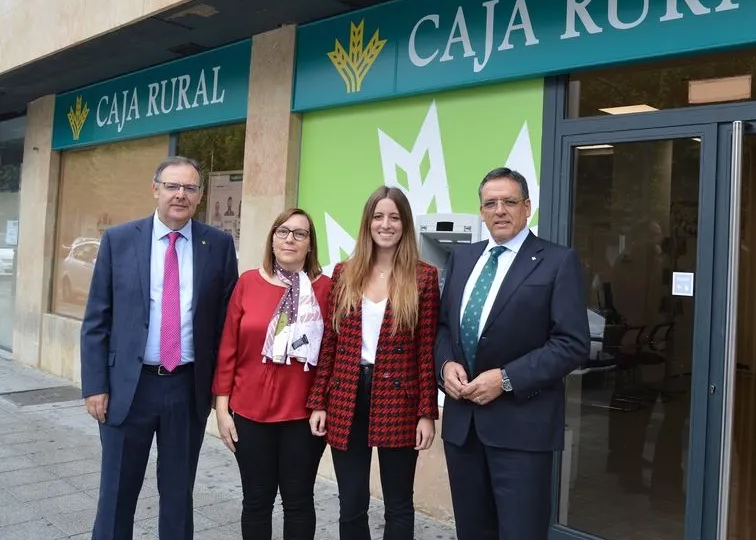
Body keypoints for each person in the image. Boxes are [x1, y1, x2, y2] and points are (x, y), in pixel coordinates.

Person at [80, 156, 239, 540]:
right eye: (172, 186)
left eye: (189, 188)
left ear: (199, 196)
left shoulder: (217, 245)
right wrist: (95, 386)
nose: (180, 195)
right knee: (116, 492)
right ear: (155, 189)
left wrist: (222, 394)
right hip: (126, 389)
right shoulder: (119, 240)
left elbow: (225, 325)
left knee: (178, 496)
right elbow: (97, 319)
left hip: (187, 388)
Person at [435, 167, 590, 540]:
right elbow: (443, 328)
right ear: (482, 210)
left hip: (522, 429)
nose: (500, 210)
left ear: (527, 208)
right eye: (491, 203)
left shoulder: (557, 261)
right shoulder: (463, 258)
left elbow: (571, 343)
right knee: (473, 532)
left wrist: (505, 379)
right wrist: (445, 365)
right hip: (463, 429)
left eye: (509, 201)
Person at [307, 186, 440, 540]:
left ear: (405, 224)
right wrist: (319, 400)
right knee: (351, 501)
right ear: (367, 223)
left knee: (398, 503)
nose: (386, 224)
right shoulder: (344, 273)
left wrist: (427, 412)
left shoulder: (424, 276)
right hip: (346, 394)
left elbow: (426, 350)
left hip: (399, 399)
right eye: (378, 217)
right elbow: (330, 343)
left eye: (394, 217)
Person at [213, 208, 331, 539]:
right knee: (256, 501)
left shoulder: (327, 289)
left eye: (299, 233)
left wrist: (324, 403)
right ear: (272, 238)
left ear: (310, 244)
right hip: (249, 413)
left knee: (298, 503)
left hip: (303, 416)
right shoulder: (248, 282)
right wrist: (222, 408)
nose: (290, 239)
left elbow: (333, 356)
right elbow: (228, 349)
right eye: (283, 231)